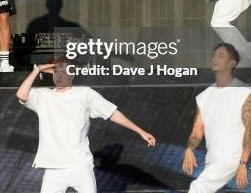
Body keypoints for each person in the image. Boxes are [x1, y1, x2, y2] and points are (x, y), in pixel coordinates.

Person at [16, 58, 156, 193]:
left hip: (81, 167)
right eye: (56, 72)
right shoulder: (43, 96)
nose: (60, 76)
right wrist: (38, 69)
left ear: (73, 74)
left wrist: (140, 131)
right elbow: (21, 94)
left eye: (64, 72)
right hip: (53, 169)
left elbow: (112, 113)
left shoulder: (85, 93)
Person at [182, 43, 251, 192]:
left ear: (232, 63)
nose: (214, 58)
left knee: (198, 187)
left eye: (220, 55)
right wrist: (189, 150)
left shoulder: (244, 93)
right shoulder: (204, 96)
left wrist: (242, 163)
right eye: (213, 55)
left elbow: (249, 131)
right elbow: (197, 131)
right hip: (211, 159)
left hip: (232, 158)